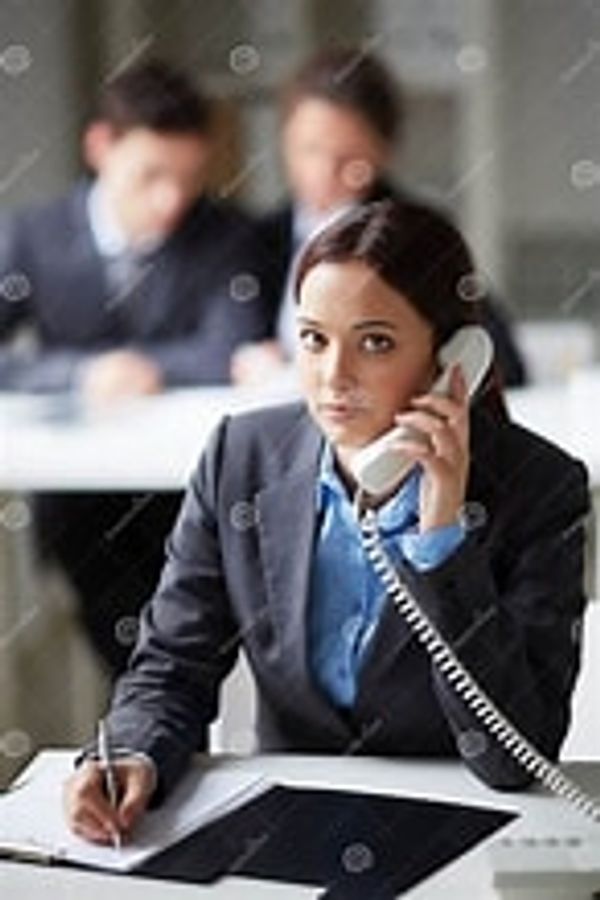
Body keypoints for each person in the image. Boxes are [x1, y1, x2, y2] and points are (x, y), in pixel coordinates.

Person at [64, 199, 587, 847]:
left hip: (454, 834)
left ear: (451, 357)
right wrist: (130, 754)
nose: (333, 377)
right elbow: (173, 664)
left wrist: (441, 535)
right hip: (287, 828)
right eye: (313, 338)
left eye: (375, 342)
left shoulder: (541, 490)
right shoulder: (241, 458)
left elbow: (513, 757)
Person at [0, 60, 269, 674]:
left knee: (194, 635)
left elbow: (233, 348)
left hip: (187, 497)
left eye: (188, 178)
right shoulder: (31, 237)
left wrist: (143, 367)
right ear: (101, 147)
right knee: (127, 645)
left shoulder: (226, 236)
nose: (171, 200)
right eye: (151, 175)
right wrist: (76, 374)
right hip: (79, 500)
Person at [232, 47, 527, 389]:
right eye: (310, 149)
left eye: (349, 157)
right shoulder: (257, 237)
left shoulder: (417, 234)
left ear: (383, 151)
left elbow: (501, 358)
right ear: (285, 141)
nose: (325, 172)